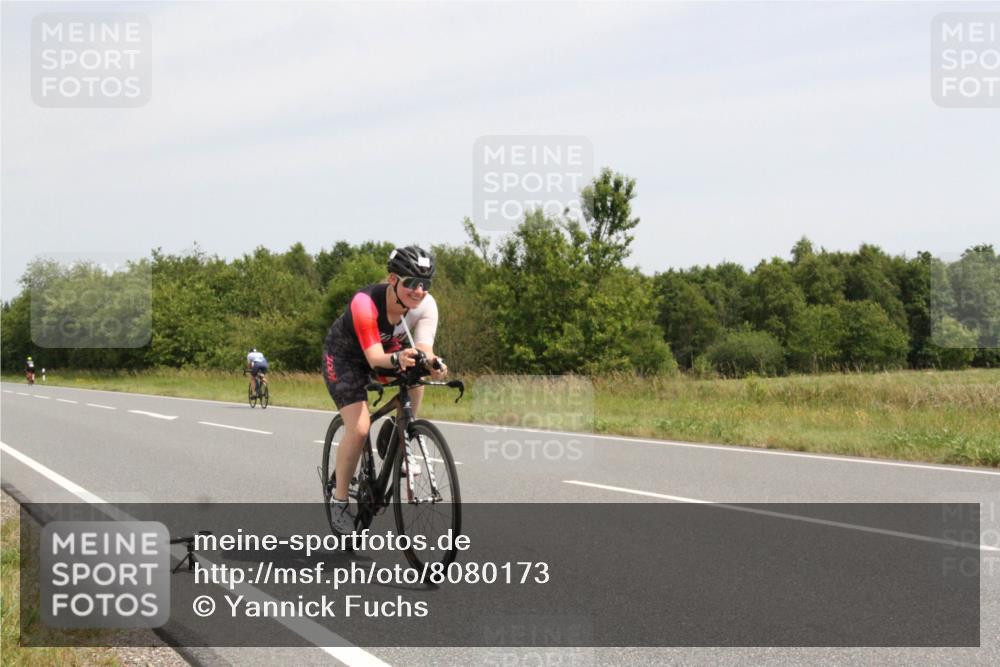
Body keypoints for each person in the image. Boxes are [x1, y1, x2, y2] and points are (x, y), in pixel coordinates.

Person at [322, 245, 447, 536]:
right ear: (393, 279)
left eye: (425, 285)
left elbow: (424, 347)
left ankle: (399, 432)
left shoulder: (426, 306)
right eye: (411, 284)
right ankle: (339, 500)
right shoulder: (365, 303)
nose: (418, 291)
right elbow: (375, 359)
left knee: (416, 373)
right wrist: (398, 358)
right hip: (346, 358)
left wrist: (432, 362)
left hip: (385, 352)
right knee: (360, 428)